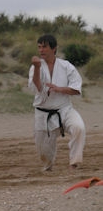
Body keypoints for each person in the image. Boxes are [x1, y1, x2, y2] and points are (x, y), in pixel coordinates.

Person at [28, 34, 86, 171]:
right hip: (43, 113)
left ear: (54, 48)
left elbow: (76, 89)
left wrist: (59, 89)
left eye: (45, 47)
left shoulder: (66, 66)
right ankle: (48, 167)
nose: (41, 50)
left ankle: (74, 163)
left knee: (79, 128)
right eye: (39, 47)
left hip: (64, 109)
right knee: (44, 154)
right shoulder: (36, 66)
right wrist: (36, 68)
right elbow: (36, 87)